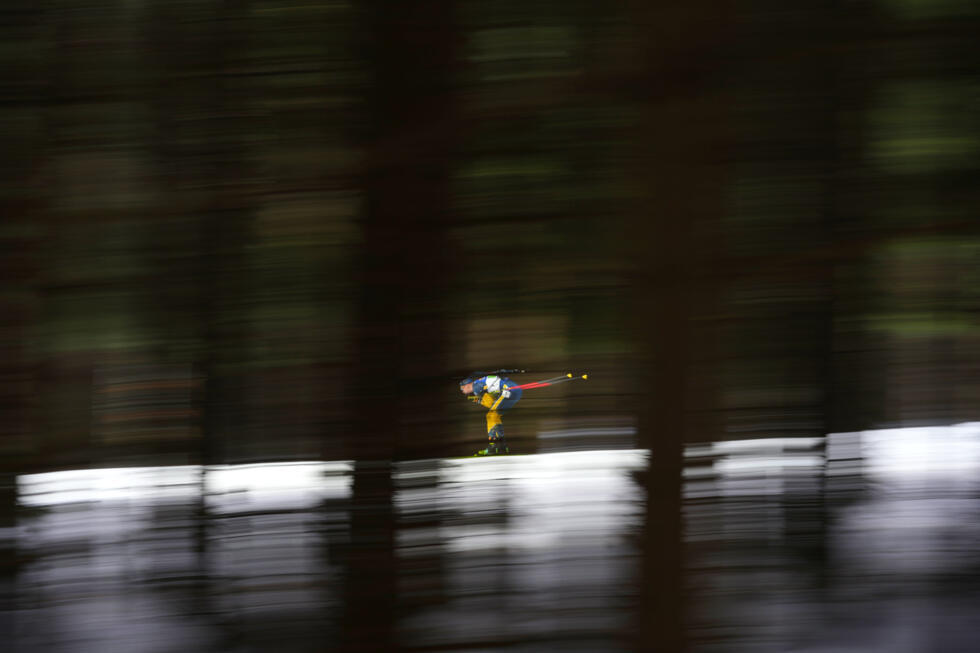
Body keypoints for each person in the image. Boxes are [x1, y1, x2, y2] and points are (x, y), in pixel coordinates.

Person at [459, 372, 523, 456]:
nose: (462, 392)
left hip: (509, 391)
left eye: (462, 389)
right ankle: (502, 446)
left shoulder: (476, 387)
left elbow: (490, 403)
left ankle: (493, 446)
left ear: (467, 385)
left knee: (491, 416)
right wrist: (479, 400)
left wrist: (478, 400)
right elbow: (493, 404)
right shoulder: (479, 384)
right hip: (514, 391)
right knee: (495, 417)